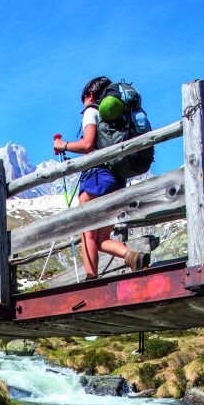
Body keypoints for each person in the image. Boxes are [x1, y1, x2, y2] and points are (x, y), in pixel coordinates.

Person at [53, 76, 150, 279]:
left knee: (87, 232)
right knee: (102, 238)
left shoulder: (92, 111)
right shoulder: (118, 116)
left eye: (83, 99)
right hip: (117, 178)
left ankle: (90, 280)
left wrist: (63, 145)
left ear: (89, 95)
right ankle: (132, 256)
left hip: (96, 177)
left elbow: (88, 144)